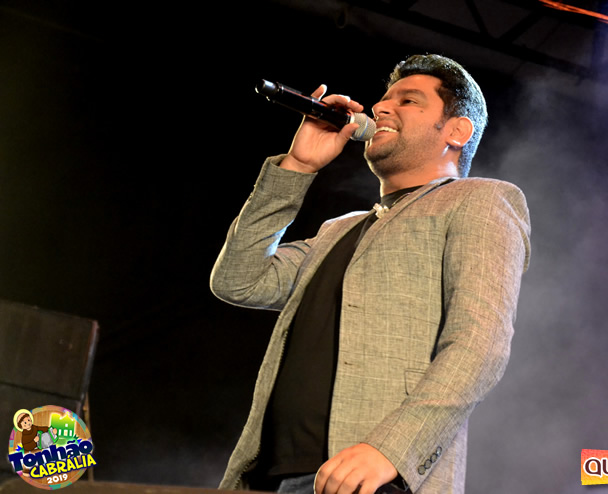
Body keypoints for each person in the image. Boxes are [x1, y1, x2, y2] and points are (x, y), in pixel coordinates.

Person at [211, 54, 531, 494]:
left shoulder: (480, 201)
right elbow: (238, 279)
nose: (381, 108)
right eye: (384, 99)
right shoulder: (338, 230)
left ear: (456, 132)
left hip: (374, 480)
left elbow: (479, 344)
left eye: (408, 101)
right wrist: (299, 166)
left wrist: (391, 451)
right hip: (269, 480)